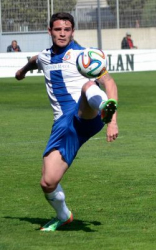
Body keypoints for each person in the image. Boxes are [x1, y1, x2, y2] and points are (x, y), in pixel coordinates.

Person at [15, 12, 119, 232]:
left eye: (67, 29)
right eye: (58, 29)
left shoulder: (84, 55)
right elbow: (35, 61)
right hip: (63, 125)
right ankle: (64, 216)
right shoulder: (45, 57)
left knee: (88, 87)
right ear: (50, 31)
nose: (62, 33)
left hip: (85, 113)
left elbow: (109, 83)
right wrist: (22, 71)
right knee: (48, 182)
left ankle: (103, 108)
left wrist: (112, 121)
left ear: (73, 32)